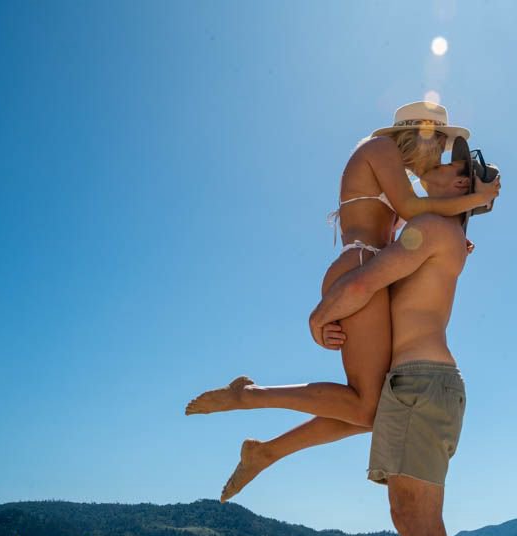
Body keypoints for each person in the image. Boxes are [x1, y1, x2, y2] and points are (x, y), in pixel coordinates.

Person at [185, 102, 499, 502]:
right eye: (438, 148)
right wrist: (470, 201)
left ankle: (266, 451)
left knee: (373, 411)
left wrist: (453, 229)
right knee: (368, 406)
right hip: (360, 267)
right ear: (422, 135)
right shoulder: (379, 149)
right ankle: (249, 397)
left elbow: (414, 224)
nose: (437, 159)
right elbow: (412, 210)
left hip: (366, 271)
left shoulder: (393, 174)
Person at [308, 201, 489, 536]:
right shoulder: (428, 234)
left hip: (420, 381)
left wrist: (318, 319)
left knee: (418, 518)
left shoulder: (433, 228)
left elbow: (359, 286)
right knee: (409, 516)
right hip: (416, 383)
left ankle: (252, 410)